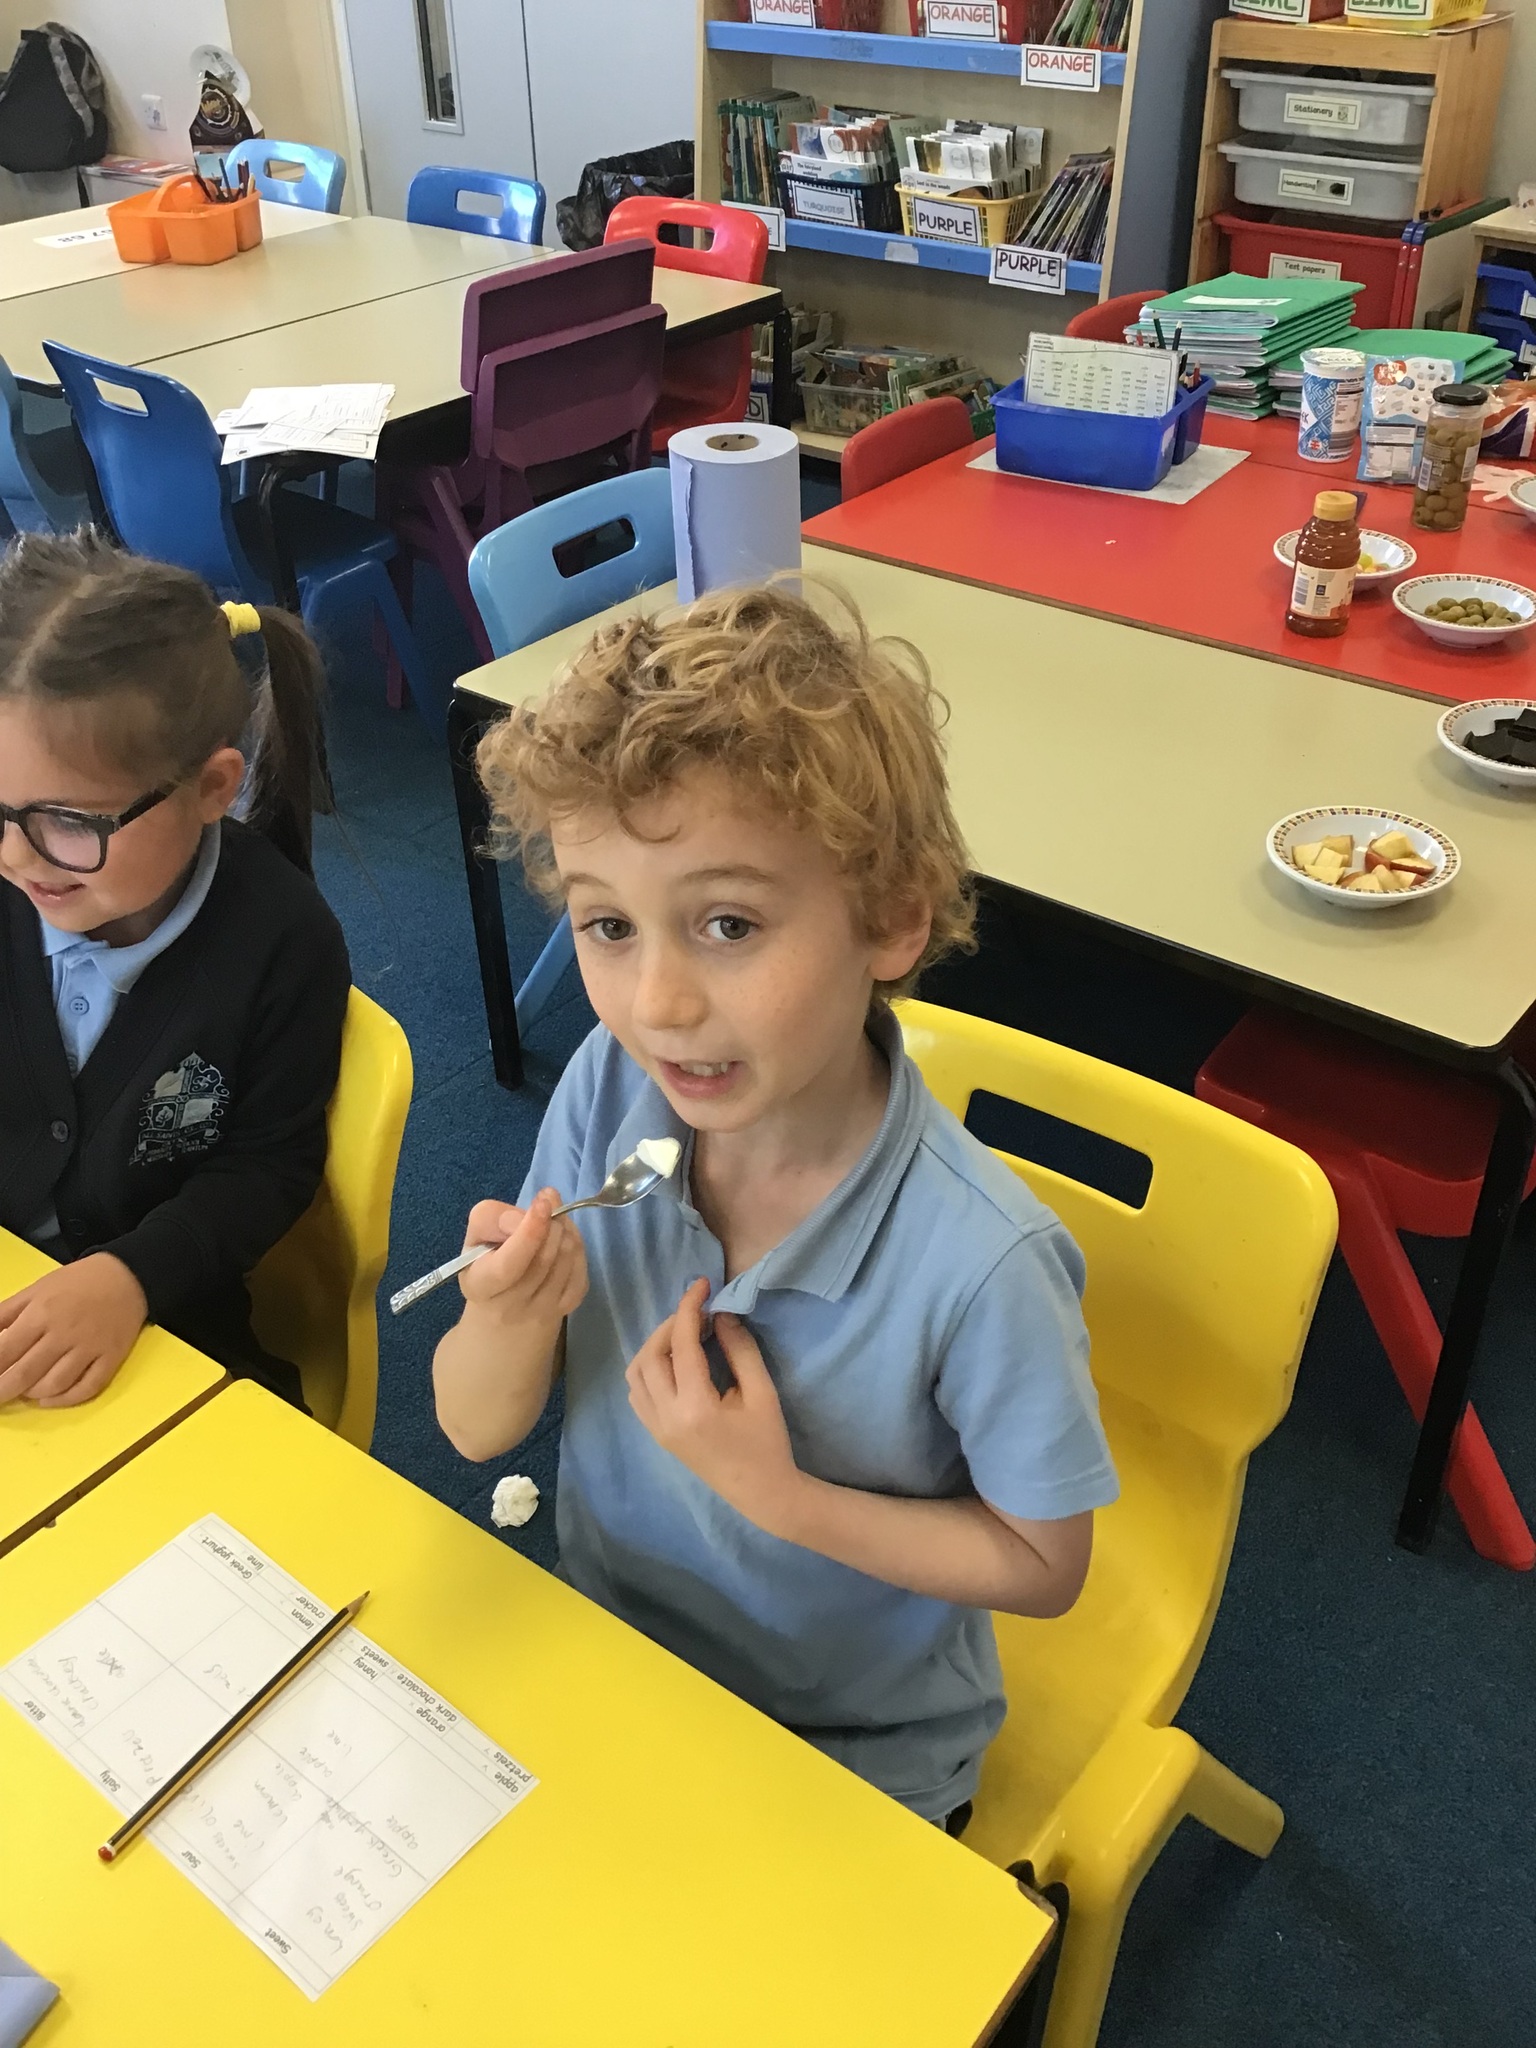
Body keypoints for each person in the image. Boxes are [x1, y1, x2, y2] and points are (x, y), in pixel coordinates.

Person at [434, 583, 1117, 1827]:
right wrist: (508, 1317)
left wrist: (782, 1496)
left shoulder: (981, 1260)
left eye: (729, 922)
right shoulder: (609, 1092)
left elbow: (1042, 1562)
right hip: (614, 1651)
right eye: (607, 924)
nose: (658, 1004)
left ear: (891, 919)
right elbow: (476, 1428)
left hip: (851, 1747)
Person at [0, 531, 350, 1411]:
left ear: (212, 789)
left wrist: (131, 1276)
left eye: (69, 821)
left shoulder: (282, 942)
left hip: (169, 1326)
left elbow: (267, 1166)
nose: (16, 856)